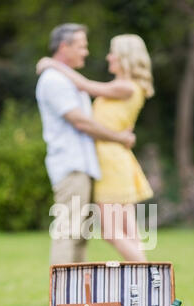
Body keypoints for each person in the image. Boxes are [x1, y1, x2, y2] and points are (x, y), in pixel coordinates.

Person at [37, 34, 154, 261]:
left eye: (113, 53)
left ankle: (151, 280)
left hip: (111, 161)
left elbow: (86, 86)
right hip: (114, 159)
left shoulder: (125, 87)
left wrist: (53, 64)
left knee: (112, 232)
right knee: (130, 234)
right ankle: (151, 287)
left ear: (124, 58)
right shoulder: (127, 87)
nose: (109, 57)